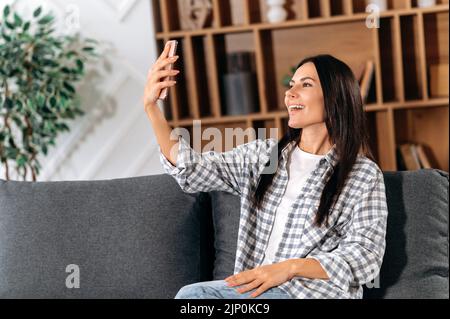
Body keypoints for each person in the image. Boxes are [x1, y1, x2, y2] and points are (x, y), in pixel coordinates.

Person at [142, 43, 388, 299]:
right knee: (192, 296)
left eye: (305, 85)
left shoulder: (363, 175)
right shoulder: (263, 158)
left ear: (335, 96)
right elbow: (191, 169)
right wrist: (151, 107)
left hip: (311, 295)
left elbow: (365, 257)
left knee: (195, 297)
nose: (290, 93)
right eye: (291, 84)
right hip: (253, 294)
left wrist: (289, 268)